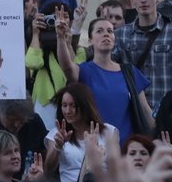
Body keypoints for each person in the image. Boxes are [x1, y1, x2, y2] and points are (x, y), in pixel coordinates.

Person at [57, 13, 152, 142]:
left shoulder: (129, 72)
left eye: (110, 31)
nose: (106, 34)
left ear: (114, 38)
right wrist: (60, 38)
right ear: (90, 40)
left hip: (125, 149)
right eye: (99, 31)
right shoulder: (84, 70)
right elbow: (66, 66)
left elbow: (145, 111)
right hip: (95, 148)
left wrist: (158, 136)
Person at [44, 83, 117, 182]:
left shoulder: (108, 131)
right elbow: (48, 170)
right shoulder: (57, 133)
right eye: (64, 105)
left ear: (85, 105)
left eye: (73, 106)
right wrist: (58, 147)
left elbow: (116, 169)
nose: (68, 111)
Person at [26, 2, 85, 128]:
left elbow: (79, 74)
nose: (60, 20)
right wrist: (36, 33)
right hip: (44, 105)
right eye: (55, 17)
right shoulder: (40, 46)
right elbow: (32, 63)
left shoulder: (78, 50)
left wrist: (68, 44)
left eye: (65, 16)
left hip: (71, 106)